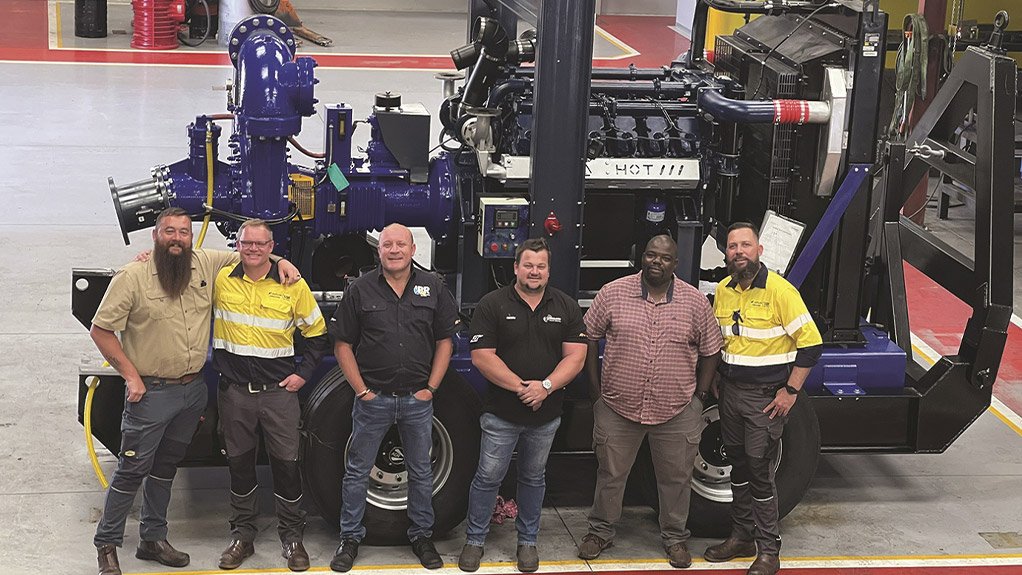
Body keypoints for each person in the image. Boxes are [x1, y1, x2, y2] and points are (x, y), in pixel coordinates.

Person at [89, 207, 299, 575]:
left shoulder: (204, 263)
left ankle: (153, 538)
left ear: (191, 238)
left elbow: (252, 253)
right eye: (169, 232)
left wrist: (283, 263)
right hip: (151, 393)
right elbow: (101, 330)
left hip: (192, 392)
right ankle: (107, 545)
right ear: (155, 236)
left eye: (184, 232)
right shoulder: (133, 277)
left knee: (166, 468)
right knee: (131, 470)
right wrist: (131, 377)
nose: (177, 238)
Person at [577, 234, 722, 569]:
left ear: (676, 264)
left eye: (665, 258)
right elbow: (589, 338)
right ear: (641, 257)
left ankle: (674, 538)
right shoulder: (613, 293)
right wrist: (595, 393)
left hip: (677, 409)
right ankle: (600, 532)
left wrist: (699, 397)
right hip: (616, 406)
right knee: (610, 473)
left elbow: (712, 350)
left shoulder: (695, 302)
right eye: (651, 255)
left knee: (676, 478)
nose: (657, 262)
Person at [328, 224, 460, 573]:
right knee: (356, 471)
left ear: (413, 249)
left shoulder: (433, 286)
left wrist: (430, 388)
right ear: (379, 250)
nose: (395, 250)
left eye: (401, 244)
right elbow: (342, 344)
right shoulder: (360, 289)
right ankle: (350, 538)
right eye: (388, 244)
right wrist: (362, 391)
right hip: (374, 400)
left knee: (420, 471)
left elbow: (446, 340)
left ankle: (421, 536)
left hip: (418, 401)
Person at [457, 238, 587, 574]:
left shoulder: (566, 306)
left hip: (546, 415)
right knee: (487, 477)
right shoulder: (492, 304)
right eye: (528, 265)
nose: (534, 271)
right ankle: (474, 540)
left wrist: (545, 387)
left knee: (533, 478)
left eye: (540, 266)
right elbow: (482, 357)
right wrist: (521, 388)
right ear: (515, 267)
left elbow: (576, 356)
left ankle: (527, 542)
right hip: (500, 413)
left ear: (548, 270)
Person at [704, 222, 822, 575]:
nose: (738, 252)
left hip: (765, 398)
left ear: (759, 251)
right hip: (730, 393)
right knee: (738, 464)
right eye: (732, 246)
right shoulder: (724, 290)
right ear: (726, 253)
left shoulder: (780, 291)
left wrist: (790, 391)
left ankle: (769, 549)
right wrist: (715, 380)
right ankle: (741, 536)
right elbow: (722, 341)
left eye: (745, 245)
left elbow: (811, 344)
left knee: (758, 467)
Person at [212, 219, 329, 572]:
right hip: (235, 395)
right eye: (247, 244)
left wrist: (303, 375)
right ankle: (242, 535)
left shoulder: (292, 284)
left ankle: (292, 537)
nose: (253, 250)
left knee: (286, 466)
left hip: (278, 395)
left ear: (271, 246)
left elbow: (317, 334)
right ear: (237, 244)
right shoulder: (221, 280)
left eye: (261, 245)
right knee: (239, 465)